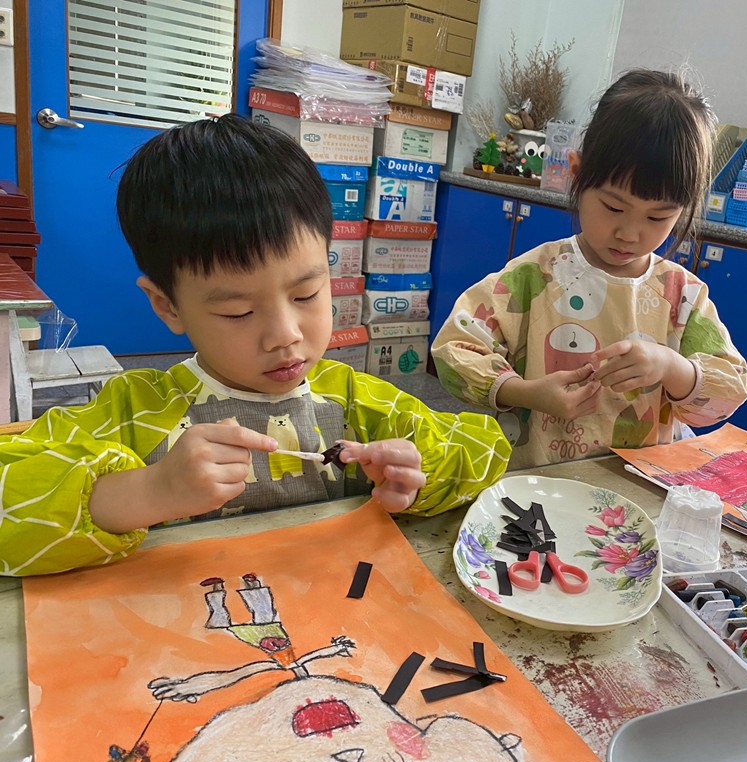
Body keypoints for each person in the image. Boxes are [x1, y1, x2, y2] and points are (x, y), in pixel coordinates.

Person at [0, 114, 511, 577]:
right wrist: (146, 492)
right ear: (168, 306)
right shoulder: (136, 413)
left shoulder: (353, 401)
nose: (286, 334)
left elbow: (487, 449)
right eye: (238, 312)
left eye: (306, 294)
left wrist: (419, 473)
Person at [431, 69, 747, 469]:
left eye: (658, 217)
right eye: (614, 207)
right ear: (577, 174)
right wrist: (524, 392)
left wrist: (672, 367)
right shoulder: (535, 276)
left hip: (636, 490)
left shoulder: (681, 295)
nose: (629, 234)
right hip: (537, 485)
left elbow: (729, 389)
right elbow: (454, 350)